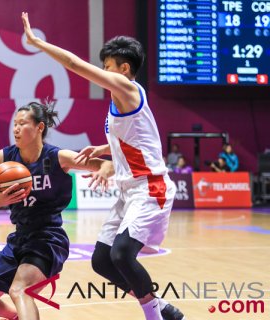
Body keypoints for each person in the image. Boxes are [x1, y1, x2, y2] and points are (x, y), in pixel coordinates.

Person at [22, 13, 184, 320]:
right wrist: (102, 149)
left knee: (122, 254)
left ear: (124, 69)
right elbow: (134, 140)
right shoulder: (120, 101)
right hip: (129, 190)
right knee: (102, 261)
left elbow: (73, 64)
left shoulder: (127, 88)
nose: (103, 72)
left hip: (150, 186)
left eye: (107, 66)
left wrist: (38, 43)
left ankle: (155, 316)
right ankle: (162, 308)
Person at [0, 101, 114, 320]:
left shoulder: (57, 157)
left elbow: (107, 165)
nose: (15, 129)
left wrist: (103, 171)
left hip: (48, 239)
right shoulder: (3, 158)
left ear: (39, 127)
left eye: (22, 123)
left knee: (20, 290)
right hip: (19, 239)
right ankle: (17, 316)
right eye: (14, 124)